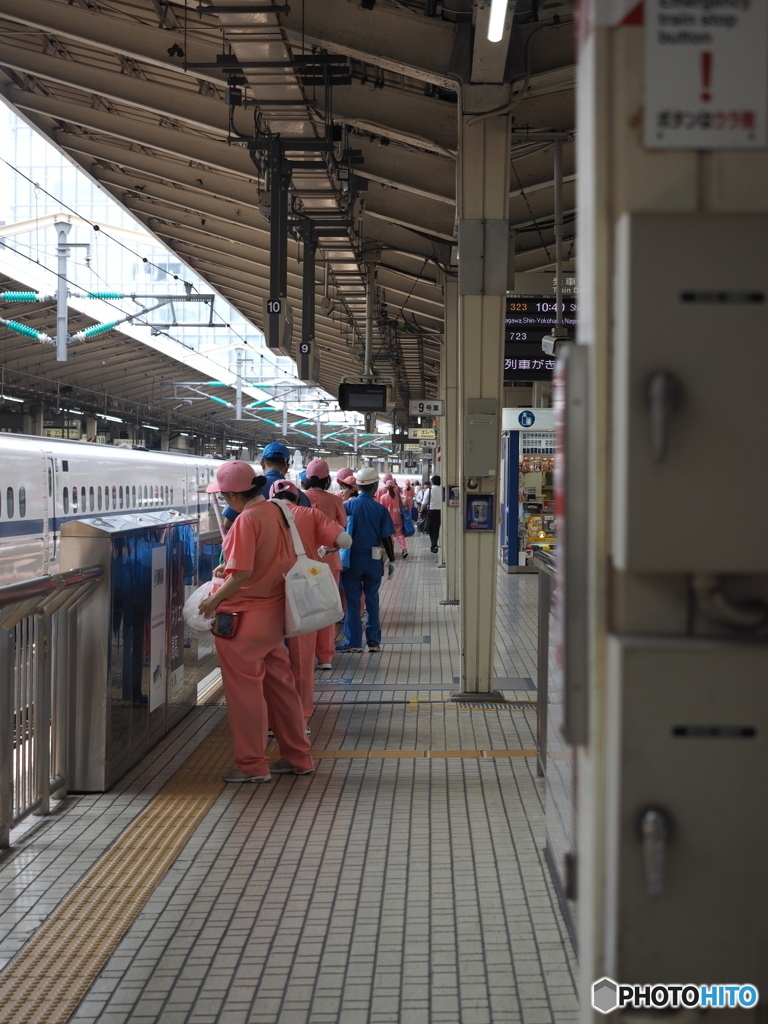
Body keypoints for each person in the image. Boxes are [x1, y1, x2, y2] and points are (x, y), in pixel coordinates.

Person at [198, 461, 314, 782]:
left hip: (243, 621)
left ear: (233, 495)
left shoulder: (246, 519)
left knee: (244, 693)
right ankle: (299, 757)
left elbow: (244, 573)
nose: (223, 501)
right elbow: (268, 560)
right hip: (274, 615)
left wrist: (213, 599)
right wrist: (231, 571)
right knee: (282, 688)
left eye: (223, 496)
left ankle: (252, 765)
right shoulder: (279, 510)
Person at [269, 479, 352, 721]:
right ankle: (301, 715)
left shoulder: (255, 516)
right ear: (296, 498)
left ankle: (272, 717)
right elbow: (344, 539)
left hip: (266, 594)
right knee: (302, 658)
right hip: (301, 590)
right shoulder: (311, 513)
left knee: (269, 658)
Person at [336, 466, 396, 654]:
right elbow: (387, 537)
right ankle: (373, 642)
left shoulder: (347, 507)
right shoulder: (380, 509)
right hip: (373, 559)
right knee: (372, 599)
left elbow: (339, 533)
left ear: (357, 486)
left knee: (353, 601)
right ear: (376, 485)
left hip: (352, 559)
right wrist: (392, 560)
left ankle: (353, 642)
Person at [302, 459, 348, 669]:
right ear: (327, 478)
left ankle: (305, 654)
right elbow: (342, 527)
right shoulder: (335, 500)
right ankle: (326, 657)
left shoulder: (299, 499)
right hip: (329, 562)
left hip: (304, 563)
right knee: (328, 608)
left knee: (304, 608)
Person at [220, 442, 310, 533]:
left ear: (262, 463)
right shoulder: (301, 496)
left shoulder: (250, 489)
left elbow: (228, 524)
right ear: (287, 467)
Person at [375, 475, 410, 559]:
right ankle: (404, 549)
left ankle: (390, 551)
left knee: (389, 535)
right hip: (398, 518)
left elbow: (381, 509)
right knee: (400, 535)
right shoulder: (397, 496)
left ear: (386, 487)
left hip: (388, 519)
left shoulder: (383, 497)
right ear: (394, 486)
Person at [422, 474, 443, 553]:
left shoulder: (430, 490)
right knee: (437, 527)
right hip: (441, 511)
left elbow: (424, 502)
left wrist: (421, 511)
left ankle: (434, 544)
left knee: (432, 528)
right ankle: (435, 544)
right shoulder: (443, 489)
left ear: (432, 482)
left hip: (432, 511)